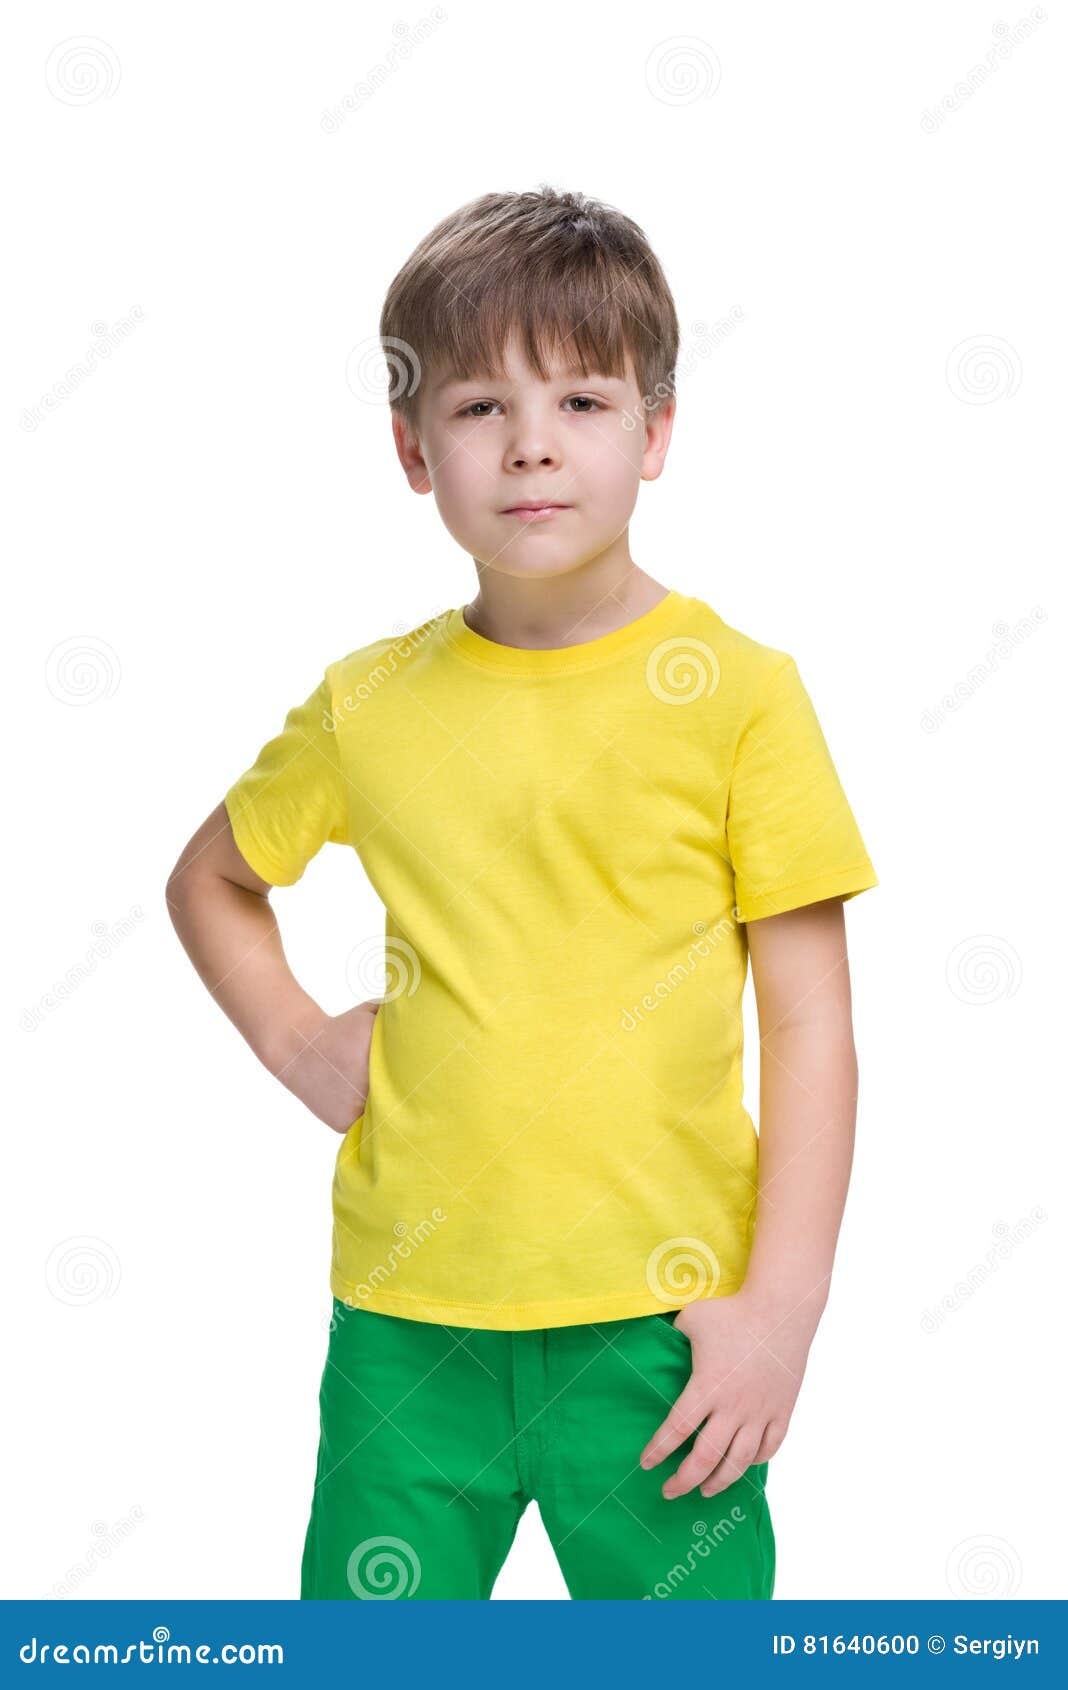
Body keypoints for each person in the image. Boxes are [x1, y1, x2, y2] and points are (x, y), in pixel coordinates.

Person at [166, 187, 878, 1601]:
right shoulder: (369, 702)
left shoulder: (740, 696)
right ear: (412, 450)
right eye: (482, 404)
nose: (533, 442)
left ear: (655, 433)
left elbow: (812, 1027)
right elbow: (212, 880)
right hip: (407, 1333)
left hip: (668, 1333)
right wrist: (300, 1044)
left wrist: (780, 1314)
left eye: (583, 400)